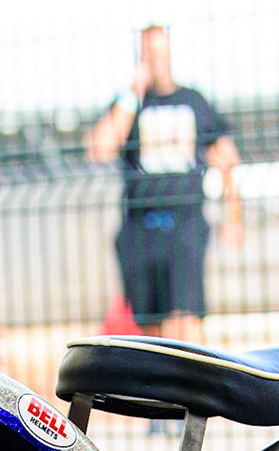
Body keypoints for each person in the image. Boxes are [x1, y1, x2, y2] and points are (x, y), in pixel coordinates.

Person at [85, 25, 241, 345]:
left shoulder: (192, 100)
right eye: (148, 55)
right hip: (139, 229)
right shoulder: (129, 105)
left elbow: (227, 160)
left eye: (160, 53)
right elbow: (101, 149)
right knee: (150, 332)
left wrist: (234, 216)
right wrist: (133, 92)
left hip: (185, 224)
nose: (155, 61)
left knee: (186, 320)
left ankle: (189, 377)